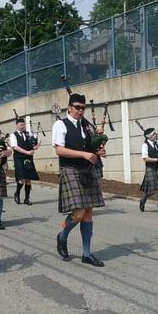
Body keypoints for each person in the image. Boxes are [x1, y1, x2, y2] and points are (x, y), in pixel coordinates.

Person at [52, 93, 106, 267]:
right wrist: (83, 154)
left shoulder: (88, 126)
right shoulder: (60, 124)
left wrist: (99, 152)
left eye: (83, 108)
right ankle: (62, 236)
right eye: (77, 107)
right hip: (70, 169)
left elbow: (92, 147)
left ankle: (86, 254)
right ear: (69, 107)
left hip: (88, 170)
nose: (80, 110)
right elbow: (59, 150)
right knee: (79, 213)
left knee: (88, 212)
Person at [10, 117, 40, 205]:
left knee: (28, 179)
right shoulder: (13, 135)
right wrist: (27, 152)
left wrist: (37, 145)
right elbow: (15, 147)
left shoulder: (28, 134)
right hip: (19, 158)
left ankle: (27, 199)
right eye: (20, 125)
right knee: (21, 179)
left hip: (28, 159)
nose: (22, 126)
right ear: (16, 125)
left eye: (23, 125)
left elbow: (32, 145)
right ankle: (17, 193)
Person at [139, 128, 158, 214]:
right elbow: (145, 159)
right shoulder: (145, 145)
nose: (156, 135)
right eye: (154, 134)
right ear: (150, 136)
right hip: (151, 169)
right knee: (151, 190)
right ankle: (143, 200)